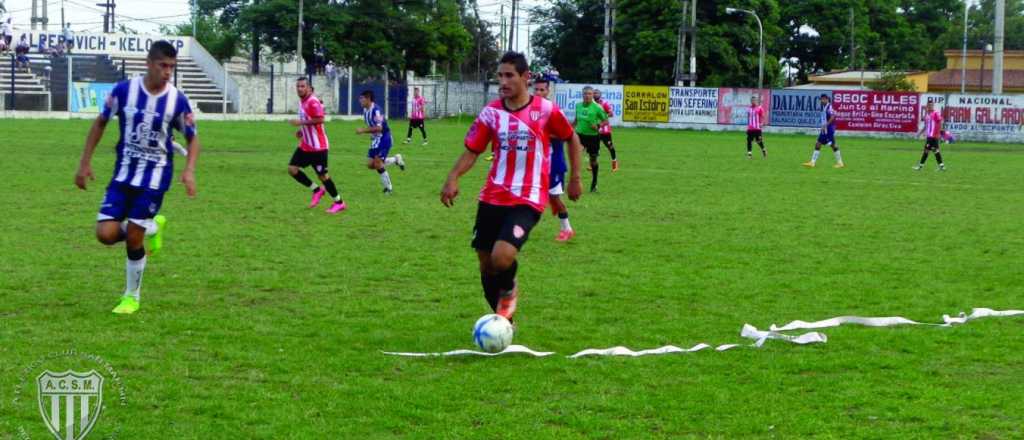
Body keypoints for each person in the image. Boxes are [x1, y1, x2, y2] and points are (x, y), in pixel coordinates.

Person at [441, 51, 584, 321]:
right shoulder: (491, 113)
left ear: (525, 77)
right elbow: (472, 150)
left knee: (502, 258)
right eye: (500, 75)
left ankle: (509, 292)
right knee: (486, 265)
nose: (503, 81)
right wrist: (453, 177)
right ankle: (503, 323)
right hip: (492, 197)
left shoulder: (545, 110)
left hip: (527, 198)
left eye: (509, 75)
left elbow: (571, 138)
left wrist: (575, 178)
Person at [73, 41, 201, 315]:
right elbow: (100, 122)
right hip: (123, 175)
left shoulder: (176, 100)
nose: (168, 72)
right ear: (149, 62)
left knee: (133, 236)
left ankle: (131, 296)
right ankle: (152, 228)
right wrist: (84, 163)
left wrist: (189, 170)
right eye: (162, 65)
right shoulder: (124, 90)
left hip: (155, 178)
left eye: (172, 67)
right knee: (105, 235)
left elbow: (193, 137)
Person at [288, 77, 347, 213]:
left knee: (323, 176)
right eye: (298, 86)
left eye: (302, 86)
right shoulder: (302, 101)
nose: (300, 89)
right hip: (305, 145)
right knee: (292, 169)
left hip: (318, 148)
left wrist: (301, 124)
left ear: (308, 88)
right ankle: (317, 190)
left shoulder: (313, 102)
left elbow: (320, 119)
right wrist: (301, 131)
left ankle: (339, 202)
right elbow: (308, 120)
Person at [533, 78, 575, 241]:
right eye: (536, 89)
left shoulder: (555, 111)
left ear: (548, 91)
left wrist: (544, 134)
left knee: (554, 198)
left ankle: (567, 228)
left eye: (542, 90)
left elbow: (566, 135)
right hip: (536, 161)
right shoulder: (531, 110)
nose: (539, 93)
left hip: (554, 162)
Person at [356, 90, 405, 194]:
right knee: (370, 164)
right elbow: (372, 126)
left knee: (378, 163)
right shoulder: (365, 110)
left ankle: (389, 188)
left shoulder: (376, 110)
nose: (360, 100)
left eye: (362, 98)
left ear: (368, 98)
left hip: (384, 138)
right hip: (375, 139)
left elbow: (379, 128)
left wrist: (363, 130)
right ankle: (396, 159)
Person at [575, 86, 609, 192]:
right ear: (582, 95)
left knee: (593, 160)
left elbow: (605, 120)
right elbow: (576, 120)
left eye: (589, 94)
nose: (587, 96)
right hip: (579, 135)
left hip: (593, 137)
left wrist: (598, 126)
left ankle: (594, 183)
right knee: (576, 156)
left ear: (592, 95)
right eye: (585, 94)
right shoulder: (578, 106)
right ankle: (575, 181)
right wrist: (569, 128)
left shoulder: (597, 107)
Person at [802, 94, 845, 168]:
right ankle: (812, 162)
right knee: (818, 143)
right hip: (824, 130)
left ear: (826, 99)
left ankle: (840, 163)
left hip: (828, 129)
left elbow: (833, 116)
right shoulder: (825, 107)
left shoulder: (829, 107)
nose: (821, 101)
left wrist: (826, 125)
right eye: (820, 99)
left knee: (832, 145)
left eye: (822, 99)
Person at [914, 100, 947, 171]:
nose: (930, 106)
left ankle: (920, 167)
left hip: (933, 136)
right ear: (927, 106)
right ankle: (941, 166)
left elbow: (940, 122)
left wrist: (940, 134)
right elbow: (926, 126)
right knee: (934, 151)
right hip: (929, 136)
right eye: (929, 105)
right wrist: (919, 133)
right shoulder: (927, 115)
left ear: (933, 106)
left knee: (927, 151)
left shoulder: (935, 113)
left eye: (931, 105)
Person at [593, 89, 619, 171]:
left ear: (600, 95)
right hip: (596, 129)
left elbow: (611, 114)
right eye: (594, 93)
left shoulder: (604, 103)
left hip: (605, 130)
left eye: (597, 93)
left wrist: (603, 117)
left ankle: (614, 162)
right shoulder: (592, 105)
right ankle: (593, 163)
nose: (596, 95)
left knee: (610, 146)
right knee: (594, 147)